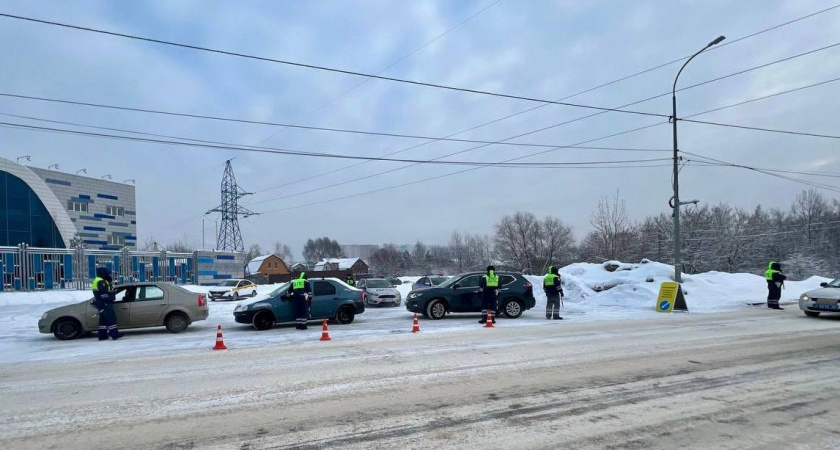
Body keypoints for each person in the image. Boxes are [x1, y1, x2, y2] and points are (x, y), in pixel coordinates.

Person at [91, 267, 122, 340]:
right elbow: (103, 294)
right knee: (111, 319)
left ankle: (102, 336)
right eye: (107, 273)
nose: (109, 275)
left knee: (103, 320)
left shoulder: (97, 280)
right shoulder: (101, 282)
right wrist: (107, 301)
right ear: (103, 274)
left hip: (101, 304)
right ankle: (114, 334)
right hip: (105, 303)